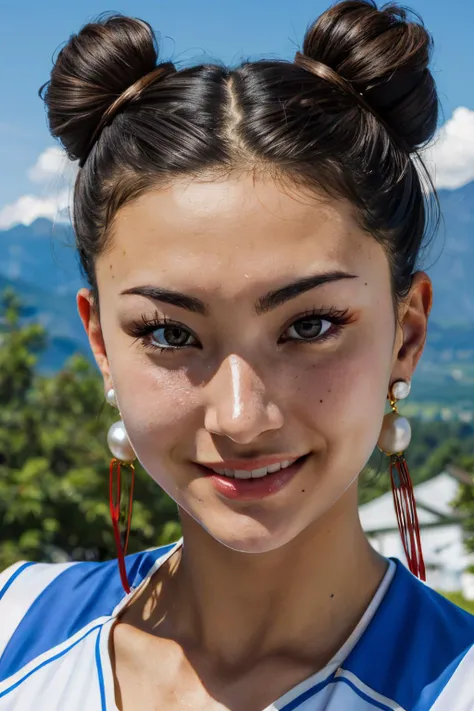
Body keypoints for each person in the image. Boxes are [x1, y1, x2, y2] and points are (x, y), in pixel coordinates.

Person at [1, 0, 473, 708]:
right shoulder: (14, 626)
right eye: (168, 333)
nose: (241, 417)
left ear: (407, 334)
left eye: (311, 325)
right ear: (101, 343)